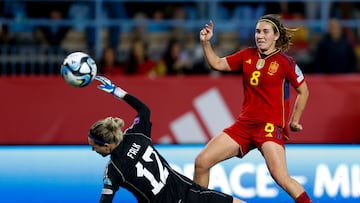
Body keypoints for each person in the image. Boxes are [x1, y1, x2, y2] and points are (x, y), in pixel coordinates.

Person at [194, 14, 312, 203]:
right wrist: (206, 42)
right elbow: (216, 63)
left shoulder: (285, 62)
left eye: (265, 32)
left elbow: (303, 91)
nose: (260, 36)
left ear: (275, 36)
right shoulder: (246, 55)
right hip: (244, 125)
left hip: (269, 127)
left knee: (281, 177)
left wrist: (294, 120)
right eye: (258, 31)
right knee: (201, 162)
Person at [88, 75, 247, 203]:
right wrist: (117, 91)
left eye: (95, 145)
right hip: (188, 194)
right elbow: (144, 109)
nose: (93, 149)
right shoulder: (137, 134)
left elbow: (105, 199)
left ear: (107, 145)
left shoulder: (114, 170)